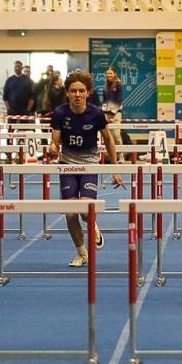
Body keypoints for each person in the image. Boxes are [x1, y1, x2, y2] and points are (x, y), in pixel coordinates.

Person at [47, 72, 123, 268]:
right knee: (71, 214)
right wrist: (53, 148)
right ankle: (81, 253)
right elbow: (55, 142)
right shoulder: (60, 113)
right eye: (73, 91)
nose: (77, 95)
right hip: (67, 165)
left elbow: (108, 140)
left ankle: (93, 224)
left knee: (85, 210)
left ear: (88, 93)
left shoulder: (96, 113)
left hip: (90, 163)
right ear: (67, 93)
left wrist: (115, 169)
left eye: (81, 91)